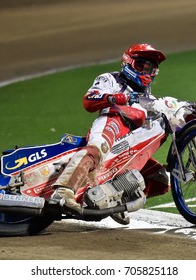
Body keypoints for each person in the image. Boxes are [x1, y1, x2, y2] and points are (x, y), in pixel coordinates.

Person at [51, 43, 174, 224]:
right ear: (128, 63)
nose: (147, 72)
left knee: (160, 179)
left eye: (151, 69)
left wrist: (190, 108)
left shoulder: (148, 97)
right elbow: (88, 101)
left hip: (128, 144)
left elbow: (163, 112)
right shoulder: (109, 79)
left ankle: (115, 199)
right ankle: (63, 191)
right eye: (142, 66)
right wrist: (114, 98)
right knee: (96, 149)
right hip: (111, 122)